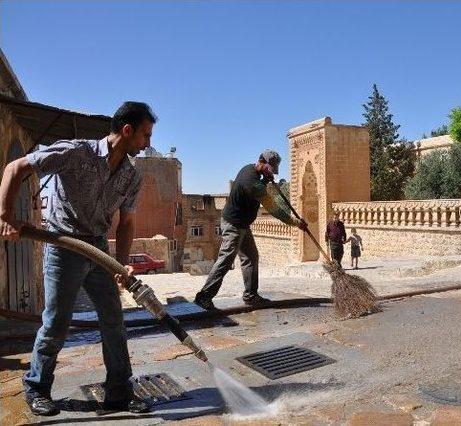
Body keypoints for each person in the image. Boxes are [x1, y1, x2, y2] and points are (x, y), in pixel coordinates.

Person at [0, 101, 156, 416]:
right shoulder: (75, 152)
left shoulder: (131, 176)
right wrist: (4, 215)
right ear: (127, 131)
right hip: (63, 245)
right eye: (145, 135)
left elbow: (126, 223)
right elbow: (15, 168)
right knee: (56, 321)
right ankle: (37, 387)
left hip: (97, 249)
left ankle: (119, 392)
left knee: (113, 320)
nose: (148, 143)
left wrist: (121, 264)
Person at [194, 150, 306, 311]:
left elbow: (259, 187)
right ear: (262, 162)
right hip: (234, 225)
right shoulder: (252, 183)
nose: (272, 173)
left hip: (242, 224)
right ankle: (203, 297)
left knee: (251, 257)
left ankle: (251, 296)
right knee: (226, 260)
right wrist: (296, 222)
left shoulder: (249, 169)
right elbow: (274, 209)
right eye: (270, 169)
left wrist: (265, 180)